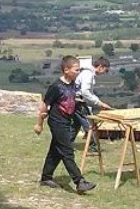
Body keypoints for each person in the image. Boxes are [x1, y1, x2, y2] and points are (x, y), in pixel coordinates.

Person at [34, 55, 96, 194]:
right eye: (76, 70)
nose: (78, 72)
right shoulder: (56, 87)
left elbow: (72, 101)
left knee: (56, 150)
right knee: (67, 151)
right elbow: (45, 105)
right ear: (66, 69)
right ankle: (79, 181)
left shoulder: (73, 84)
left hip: (67, 121)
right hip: (57, 122)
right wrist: (39, 124)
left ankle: (46, 177)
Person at [73, 57, 113, 145]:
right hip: (79, 102)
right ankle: (93, 147)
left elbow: (89, 93)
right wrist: (99, 103)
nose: (104, 73)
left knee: (76, 125)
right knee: (90, 126)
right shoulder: (88, 74)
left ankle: (65, 144)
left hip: (75, 101)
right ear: (100, 67)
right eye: (105, 70)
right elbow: (85, 92)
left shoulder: (87, 73)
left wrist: (100, 103)